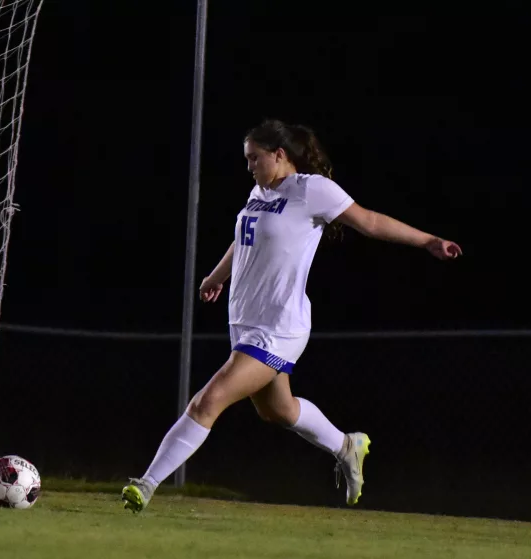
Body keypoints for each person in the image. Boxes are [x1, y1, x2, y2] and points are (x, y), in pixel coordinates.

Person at [122, 119, 462, 513]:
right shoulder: (260, 192)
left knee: (207, 402)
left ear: (279, 154)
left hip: (279, 327)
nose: (249, 167)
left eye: (254, 158)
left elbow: (369, 222)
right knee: (277, 410)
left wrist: (429, 241)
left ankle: (146, 485)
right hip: (244, 322)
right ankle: (346, 446)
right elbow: (245, 239)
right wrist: (217, 276)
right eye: (247, 159)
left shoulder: (311, 189)